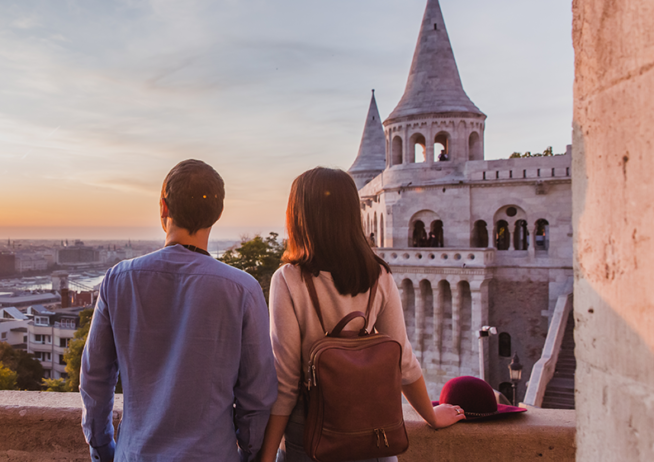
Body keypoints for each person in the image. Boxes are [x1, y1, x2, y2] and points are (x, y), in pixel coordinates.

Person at [258, 168, 463, 462]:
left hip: (311, 436)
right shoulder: (378, 273)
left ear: (299, 215)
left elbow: (287, 381)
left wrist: (266, 456)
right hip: (374, 435)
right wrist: (431, 416)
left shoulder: (289, 279)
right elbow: (402, 359)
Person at [81, 159, 277, 462]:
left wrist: (104, 451)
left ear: (163, 207)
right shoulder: (242, 289)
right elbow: (258, 397)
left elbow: (95, 381)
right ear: (217, 214)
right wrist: (249, 454)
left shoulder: (119, 280)